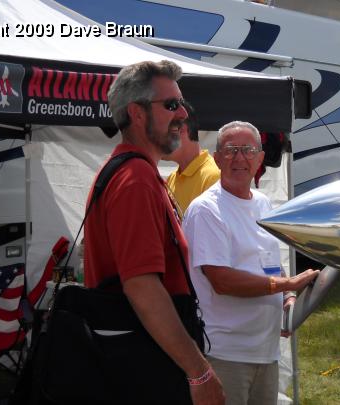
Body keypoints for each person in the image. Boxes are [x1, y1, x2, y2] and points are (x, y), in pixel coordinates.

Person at [83, 60, 224, 405]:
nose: (182, 115)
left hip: (139, 354)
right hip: (145, 362)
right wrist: (199, 372)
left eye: (183, 105)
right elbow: (142, 286)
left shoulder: (136, 173)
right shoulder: (135, 180)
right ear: (138, 113)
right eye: (172, 105)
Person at [182, 121, 320, 405]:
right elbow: (222, 280)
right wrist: (287, 283)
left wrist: (289, 298)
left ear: (260, 158)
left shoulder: (262, 203)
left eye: (248, 150)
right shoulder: (206, 210)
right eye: (231, 150)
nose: (240, 158)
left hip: (266, 353)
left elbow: (270, 261)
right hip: (225, 354)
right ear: (217, 158)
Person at [163, 99, 220, 214]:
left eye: (162, 130)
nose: (155, 138)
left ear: (181, 129)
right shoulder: (172, 178)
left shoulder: (213, 176)